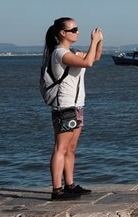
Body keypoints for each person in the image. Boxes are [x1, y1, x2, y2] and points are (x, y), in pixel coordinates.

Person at [42, 17, 103, 200]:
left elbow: (95, 58)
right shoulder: (60, 53)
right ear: (63, 33)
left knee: (71, 147)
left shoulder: (72, 52)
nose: (77, 32)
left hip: (77, 105)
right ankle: (57, 190)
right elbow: (88, 63)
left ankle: (70, 185)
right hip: (64, 106)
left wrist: (99, 42)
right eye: (74, 29)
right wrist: (93, 41)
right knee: (61, 148)